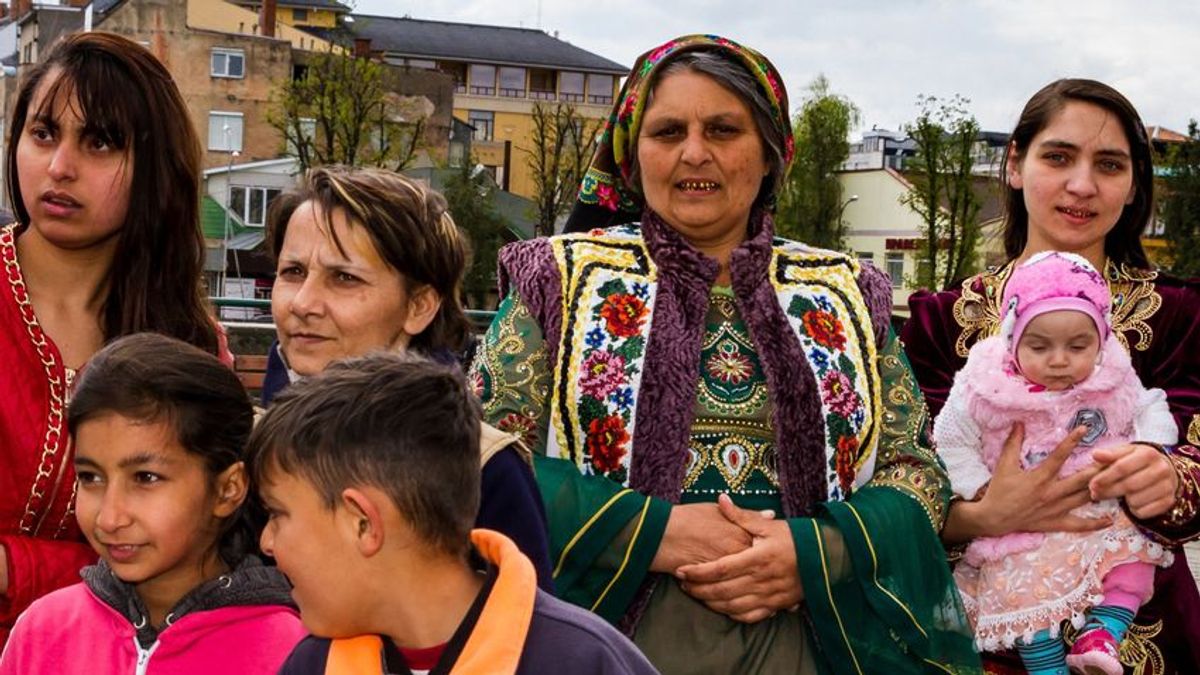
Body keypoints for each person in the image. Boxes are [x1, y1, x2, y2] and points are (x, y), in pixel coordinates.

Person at [470, 34, 979, 673]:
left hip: (811, 640)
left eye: (722, 129)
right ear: (632, 159)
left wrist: (814, 552)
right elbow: (476, 454)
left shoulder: (847, 291)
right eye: (666, 131)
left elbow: (916, 470)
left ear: (770, 155)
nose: (693, 152)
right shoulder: (558, 280)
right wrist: (652, 532)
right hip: (606, 639)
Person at [902, 78, 1200, 675]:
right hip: (982, 642)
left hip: (1145, 639)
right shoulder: (940, 321)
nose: (1082, 185)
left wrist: (1170, 477)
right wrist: (983, 517)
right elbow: (899, 480)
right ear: (1014, 164)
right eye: (1058, 157)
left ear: (1133, 184)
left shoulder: (1179, 315)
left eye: (1109, 165)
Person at [0, 32, 228, 644]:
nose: (60, 167)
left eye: (100, 142)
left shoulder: (187, 343)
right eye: (43, 134)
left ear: (154, 164)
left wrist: (12, 568)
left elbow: (193, 557)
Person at [248, 353, 659, 674]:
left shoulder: (586, 663)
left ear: (363, 523)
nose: (266, 542)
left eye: (277, 514)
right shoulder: (313, 664)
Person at [261, 165, 554, 590]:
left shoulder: (481, 468)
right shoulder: (248, 445)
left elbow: (527, 640)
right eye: (292, 272)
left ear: (419, 306)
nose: (303, 303)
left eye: (344, 278)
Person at [0, 334, 305, 673]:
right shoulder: (42, 631)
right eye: (90, 477)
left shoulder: (293, 653)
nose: (109, 517)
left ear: (227, 489)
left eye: (145, 478)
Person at [934, 252, 1176, 674]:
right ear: (1012, 339)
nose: (1059, 360)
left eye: (1078, 346)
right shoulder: (986, 387)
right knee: (1026, 596)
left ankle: (1100, 636)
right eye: (1039, 346)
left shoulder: (1111, 380)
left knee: (1134, 564)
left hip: (1098, 512)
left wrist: (1151, 450)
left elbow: (1149, 406)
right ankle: (1047, 669)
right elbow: (950, 440)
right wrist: (981, 491)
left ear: (1101, 340)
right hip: (1021, 523)